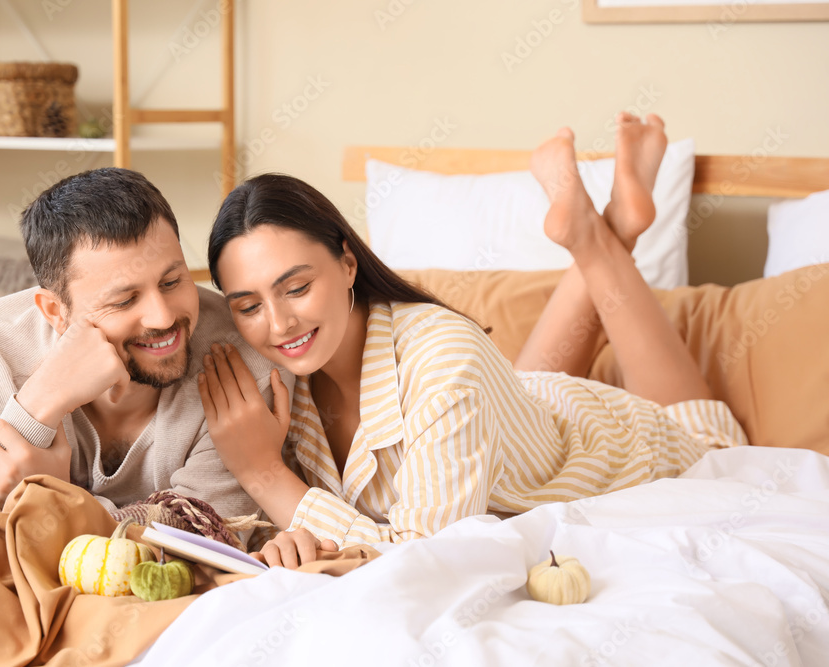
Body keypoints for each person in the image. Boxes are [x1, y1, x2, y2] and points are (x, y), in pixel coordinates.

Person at [197, 113, 748, 568]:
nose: (278, 324)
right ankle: (608, 227)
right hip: (521, 418)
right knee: (517, 390)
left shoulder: (445, 361)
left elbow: (433, 557)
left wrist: (265, 475)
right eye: (247, 306)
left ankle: (604, 236)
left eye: (296, 287)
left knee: (704, 432)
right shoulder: (271, 378)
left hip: (623, 451)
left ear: (346, 262)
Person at [0, 167, 292, 518]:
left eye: (172, 282)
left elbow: (210, 535)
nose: (162, 318)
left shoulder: (241, 358)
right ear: (55, 312)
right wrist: (39, 402)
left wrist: (55, 498)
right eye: (125, 300)